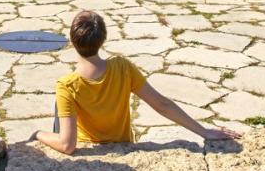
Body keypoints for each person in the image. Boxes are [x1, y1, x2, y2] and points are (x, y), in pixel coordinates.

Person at [33, 10, 240, 154]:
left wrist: (37, 134)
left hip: (90, 149)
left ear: (72, 41)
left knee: (60, 108)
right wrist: (204, 131)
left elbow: (67, 145)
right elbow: (162, 104)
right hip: (123, 144)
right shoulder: (123, 68)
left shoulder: (67, 85)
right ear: (103, 39)